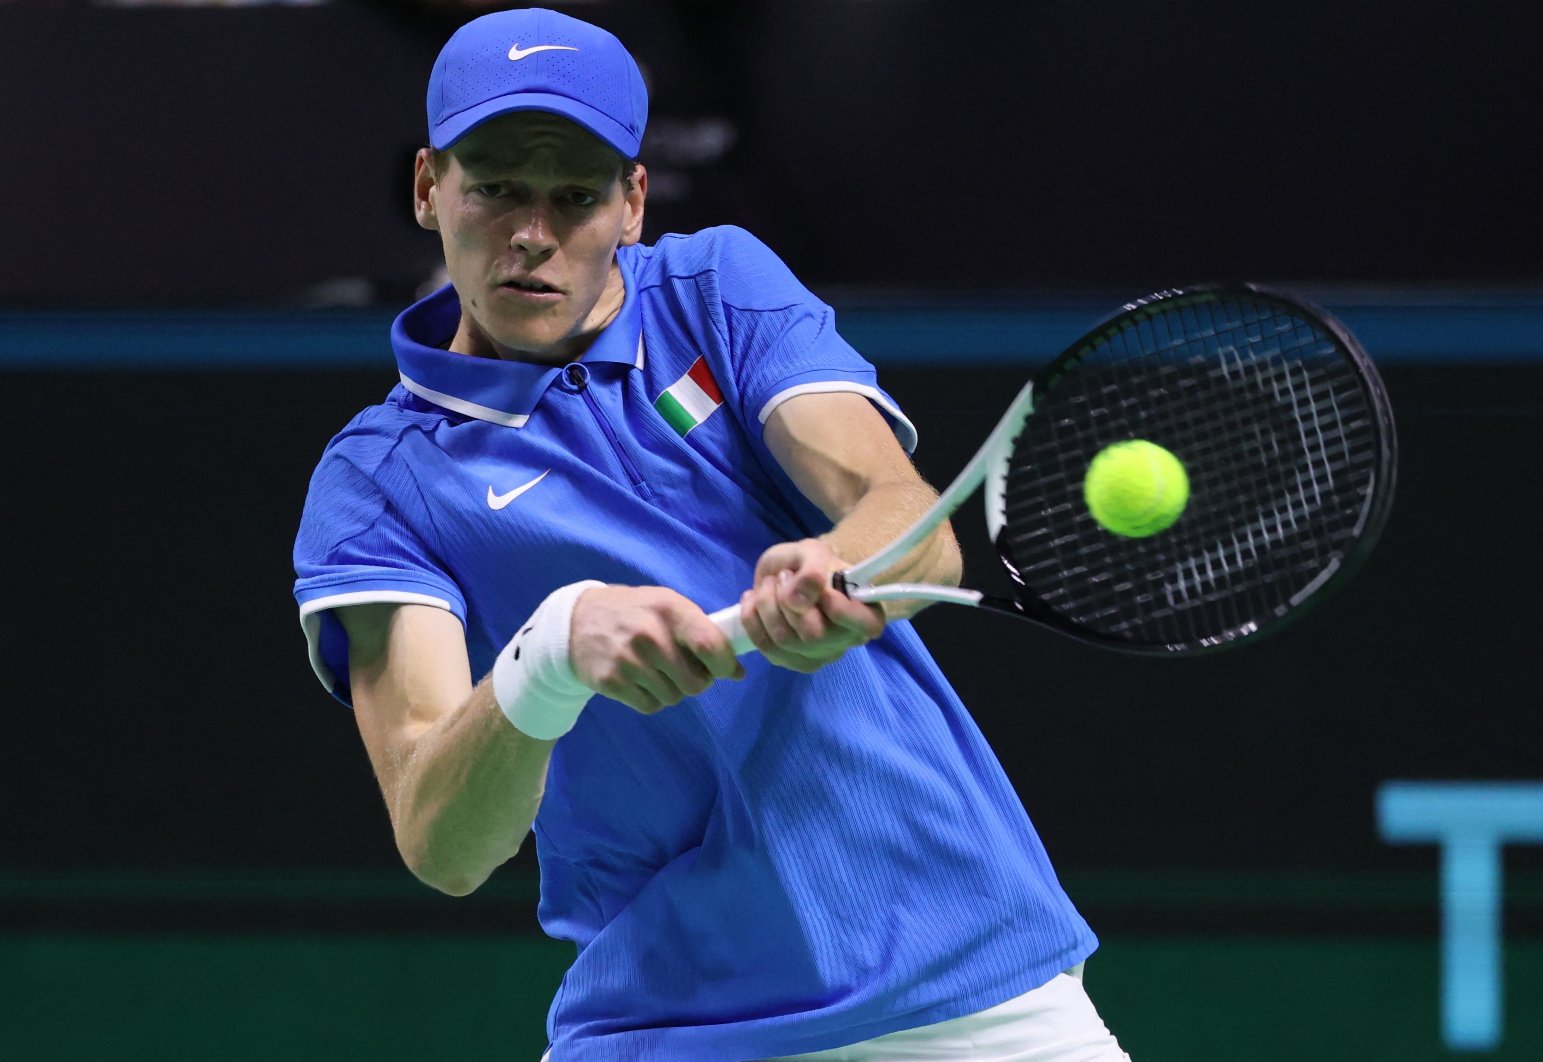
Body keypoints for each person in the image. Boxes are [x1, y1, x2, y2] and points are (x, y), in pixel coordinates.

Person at [292, 8, 1130, 1060]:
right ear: (429, 188)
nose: (532, 232)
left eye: (576, 194)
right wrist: (551, 654)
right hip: (669, 1023)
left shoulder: (714, 289)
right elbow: (441, 839)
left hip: (969, 984)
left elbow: (908, 520)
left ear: (633, 204)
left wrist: (840, 567)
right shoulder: (380, 481)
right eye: (496, 184)